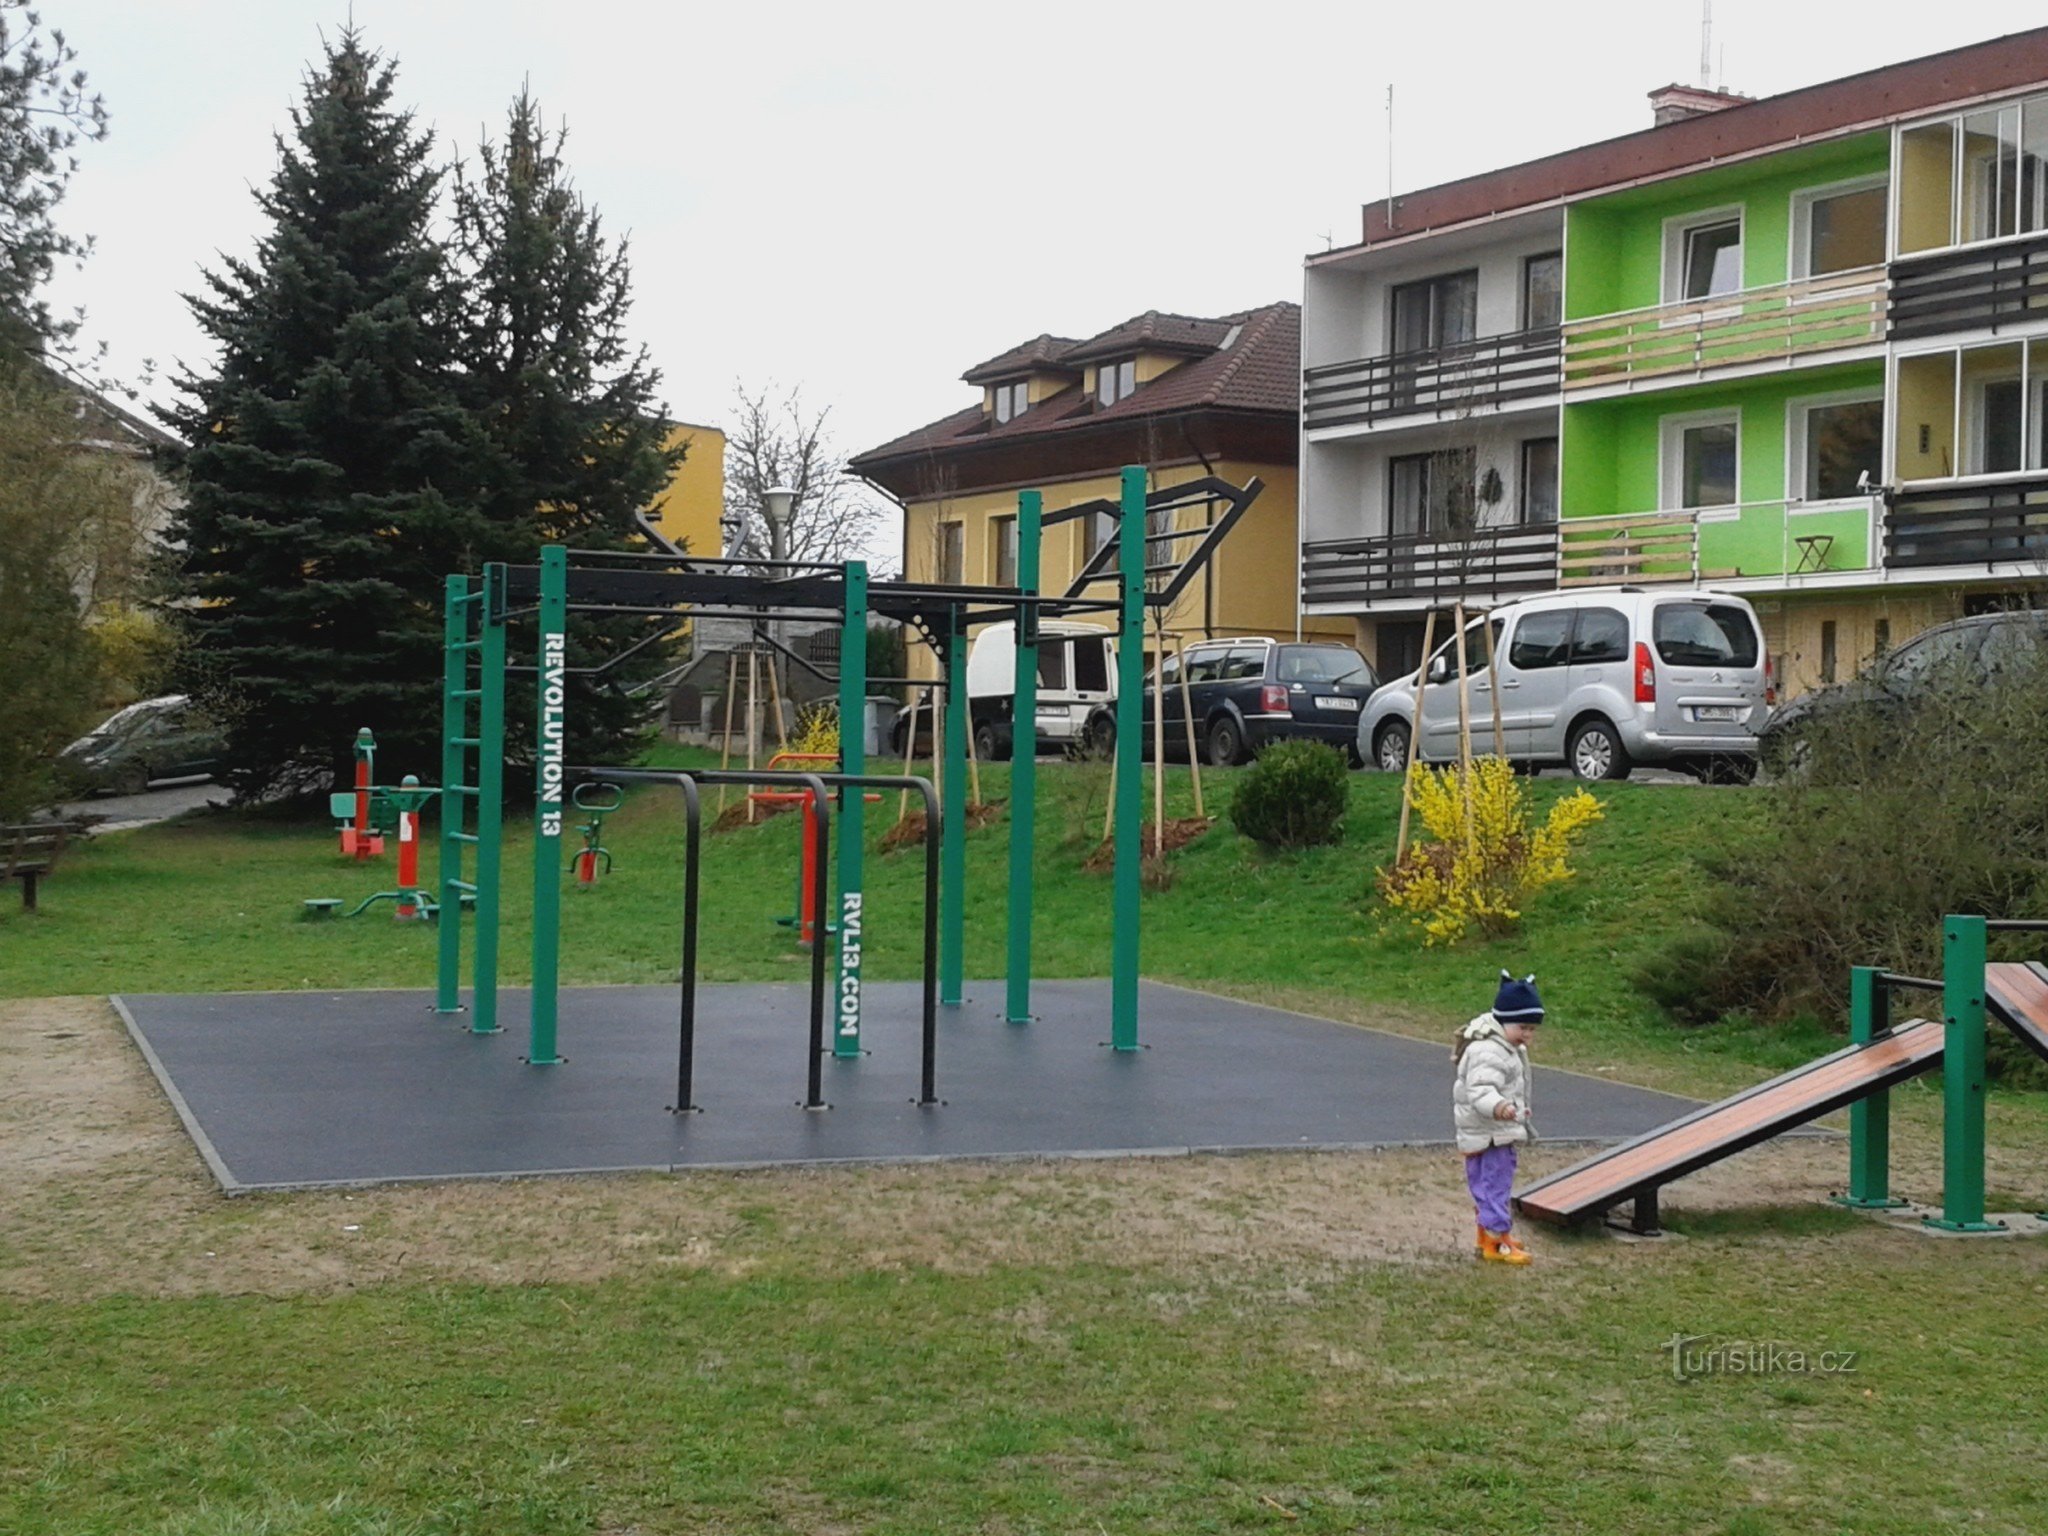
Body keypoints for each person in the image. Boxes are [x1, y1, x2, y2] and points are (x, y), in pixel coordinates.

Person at [1453, 971, 1542, 1265]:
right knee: (1495, 1184)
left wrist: (1516, 1109)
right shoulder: (1489, 1051)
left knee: (1487, 1183)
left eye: (1532, 1029)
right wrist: (1501, 1107)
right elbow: (1480, 1089)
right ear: (1503, 1021)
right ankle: (1497, 1241)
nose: (1527, 1035)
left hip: (1490, 1130)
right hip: (1491, 1131)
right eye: (1523, 1027)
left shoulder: (1502, 1045)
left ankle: (1488, 1235)